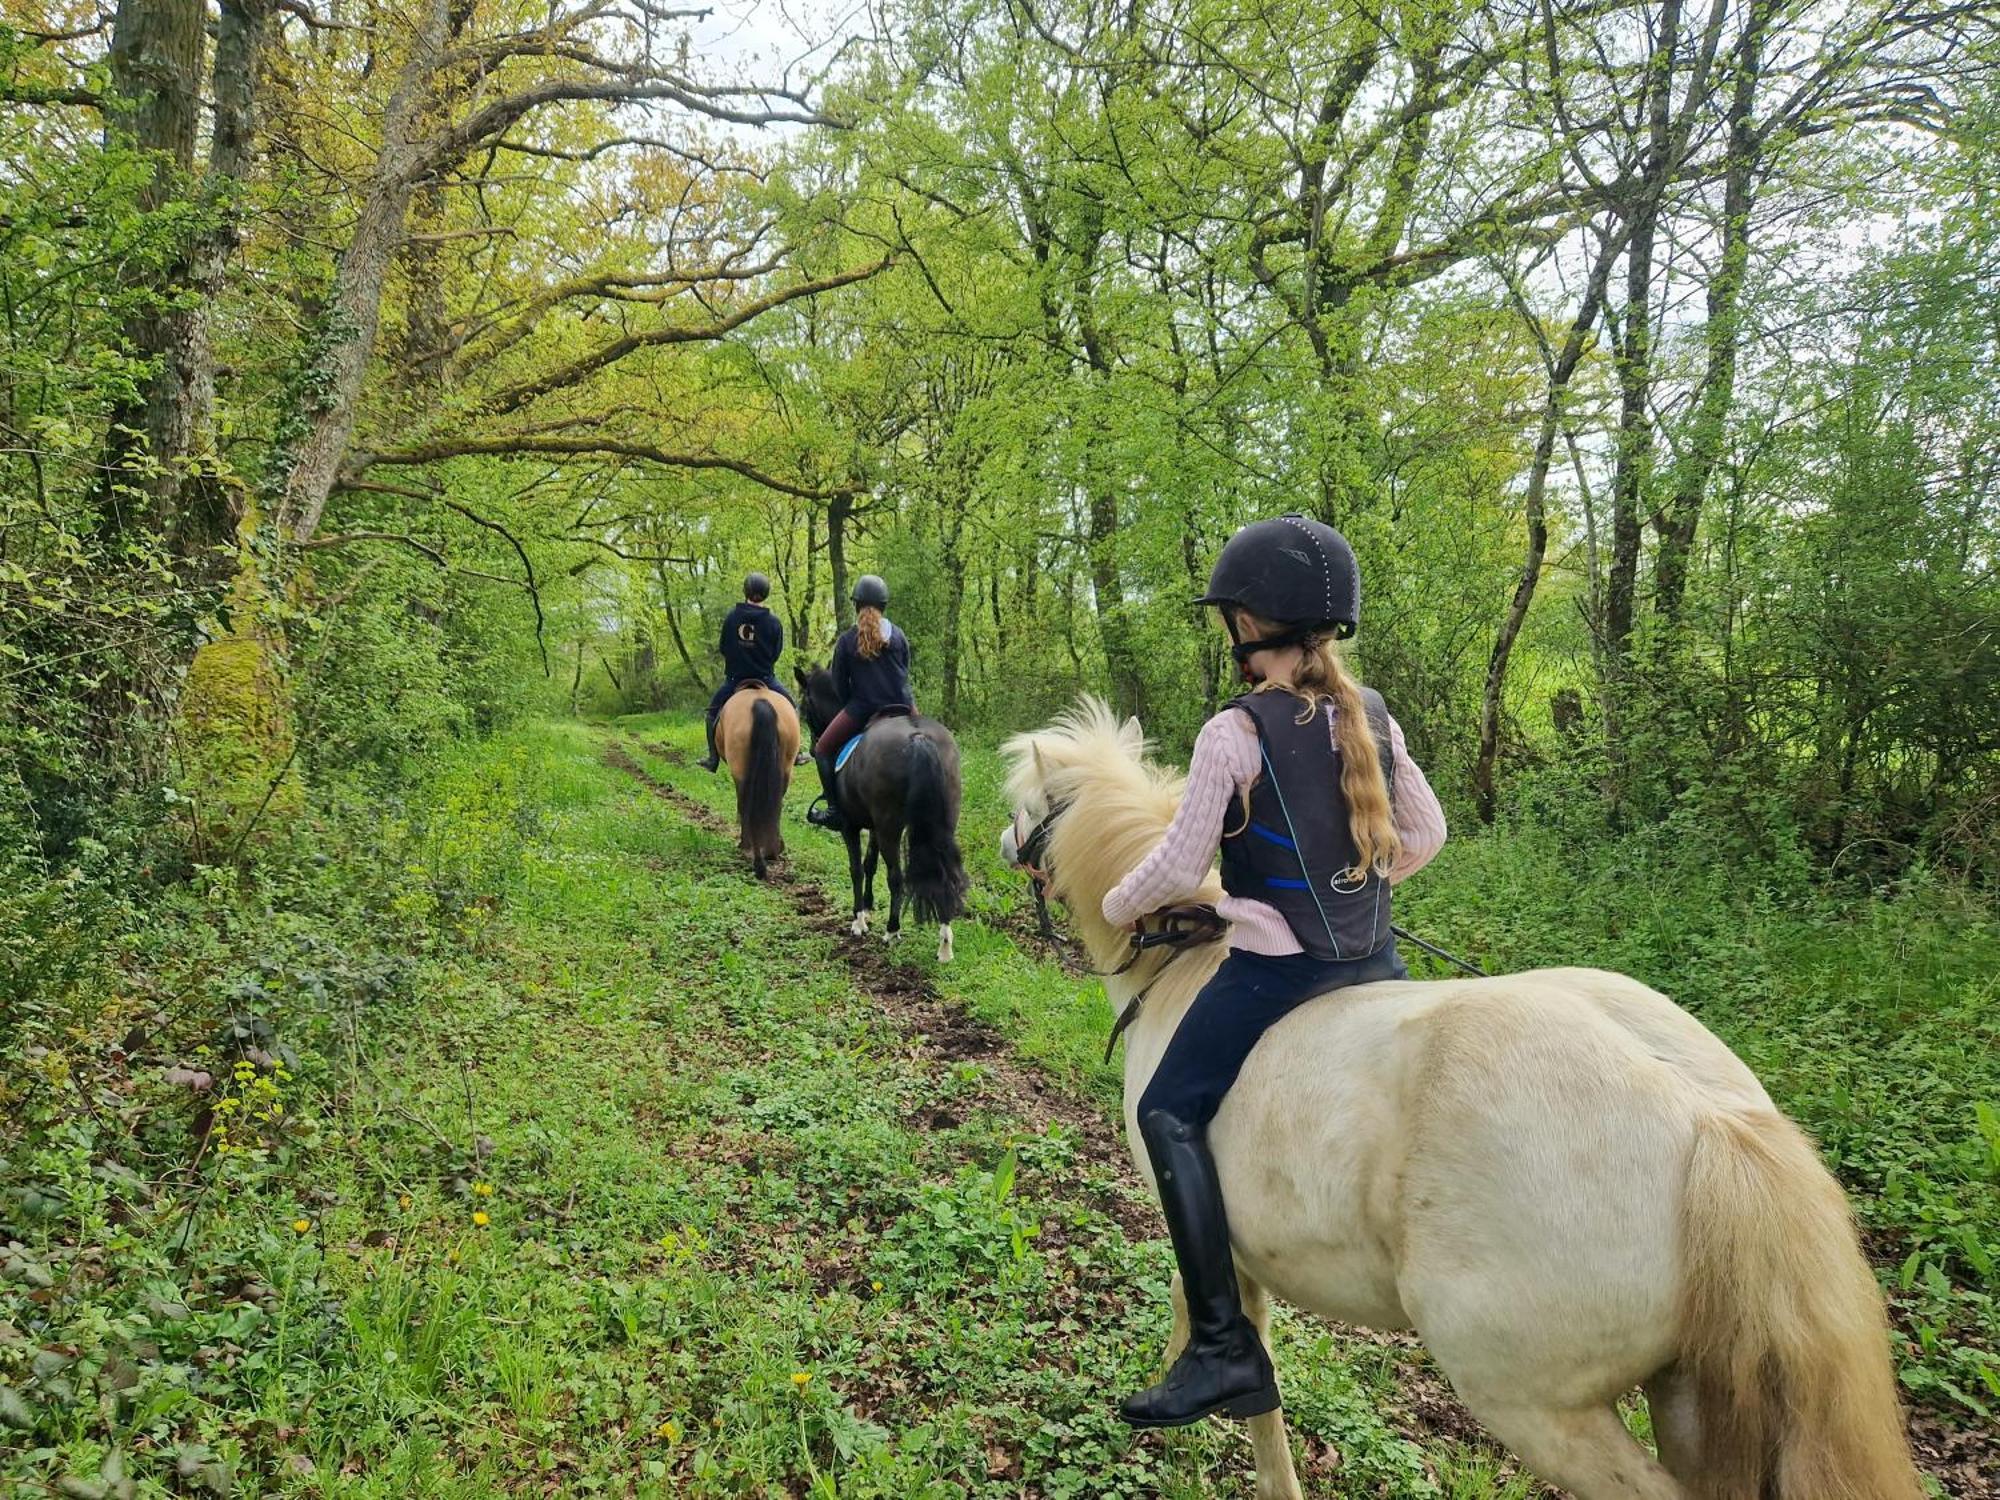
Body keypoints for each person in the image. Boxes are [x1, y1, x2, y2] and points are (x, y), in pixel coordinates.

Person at [1104, 514, 1447, 1430]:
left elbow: (1178, 869)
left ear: (1250, 622)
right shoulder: (1371, 712)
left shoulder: (1234, 731)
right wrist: (1358, 885)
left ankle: (1220, 1344)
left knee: (1164, 1108)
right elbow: (1424, 837)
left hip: (1278, 973)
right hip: (1374, 960)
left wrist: (1115, 907)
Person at [806, 575, 914, 831]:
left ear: (856, 605)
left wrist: (853, 705)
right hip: (903, 707)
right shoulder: (898, 636)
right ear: (883, 605)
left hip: (863, 709)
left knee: (822, 749)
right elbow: (904, 674)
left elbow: (840, 687)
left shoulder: (846, 641)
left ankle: (833, 809)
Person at [699, 572, 800, 773]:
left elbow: (723, 647)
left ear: (745, 591)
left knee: (711, 714)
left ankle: (712, 758)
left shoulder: (731, 618)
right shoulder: (773, 622)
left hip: (735, 679)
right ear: (766, 593)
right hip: (766, 679)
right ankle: (796, 753)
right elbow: (775, 653)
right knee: (793, 707)